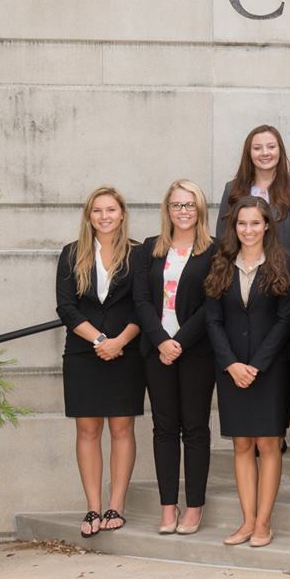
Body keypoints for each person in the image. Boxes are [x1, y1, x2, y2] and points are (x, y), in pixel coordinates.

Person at [204, 196, 290, 548]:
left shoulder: (284, 263)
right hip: (231, 370)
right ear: (234, 227)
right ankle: (246, 520)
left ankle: (263, 522)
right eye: (242, 223)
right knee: (241, 444)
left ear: (267, 225)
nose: (248, 229)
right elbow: (213, 320)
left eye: (255, 223)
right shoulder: (220, 263)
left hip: (270, 370)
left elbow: (285, 321)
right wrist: (231, 364)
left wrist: (256, 365)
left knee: (268, 444)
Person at [56, 186, 145, 537]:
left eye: (110, 210)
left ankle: (115, 506)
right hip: (83, 353)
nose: (104, 216)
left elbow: (144, 306)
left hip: (127, 352)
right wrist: (99, 340)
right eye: (97, 210)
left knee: (122, 429)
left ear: (122, 214)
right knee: (88, 431)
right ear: (88, 216)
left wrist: (119, 341)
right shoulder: (71, 253)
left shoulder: (139, 253)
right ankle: (93, 507)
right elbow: (66, 307)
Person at [132, 181, 216, 536]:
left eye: (190, 205)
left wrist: (178, 342)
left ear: (200, 209)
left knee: (195, 428)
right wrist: (161, 341)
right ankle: (168, 506)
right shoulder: (149, 249)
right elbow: (140, 300)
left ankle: (194, 506)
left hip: (196, 351)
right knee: (164, 429)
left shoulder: (215, 250)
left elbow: (212, 303)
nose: (183, 211)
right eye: (177, 205)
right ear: (167, 209)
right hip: (156, 351)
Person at [217, 125, 290, 250]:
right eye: (257, 148)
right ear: (249, 153)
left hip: (285, 262)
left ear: (280, 151)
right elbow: (222, 237)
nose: (265, 153)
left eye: (271, 147)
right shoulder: (232, 189)